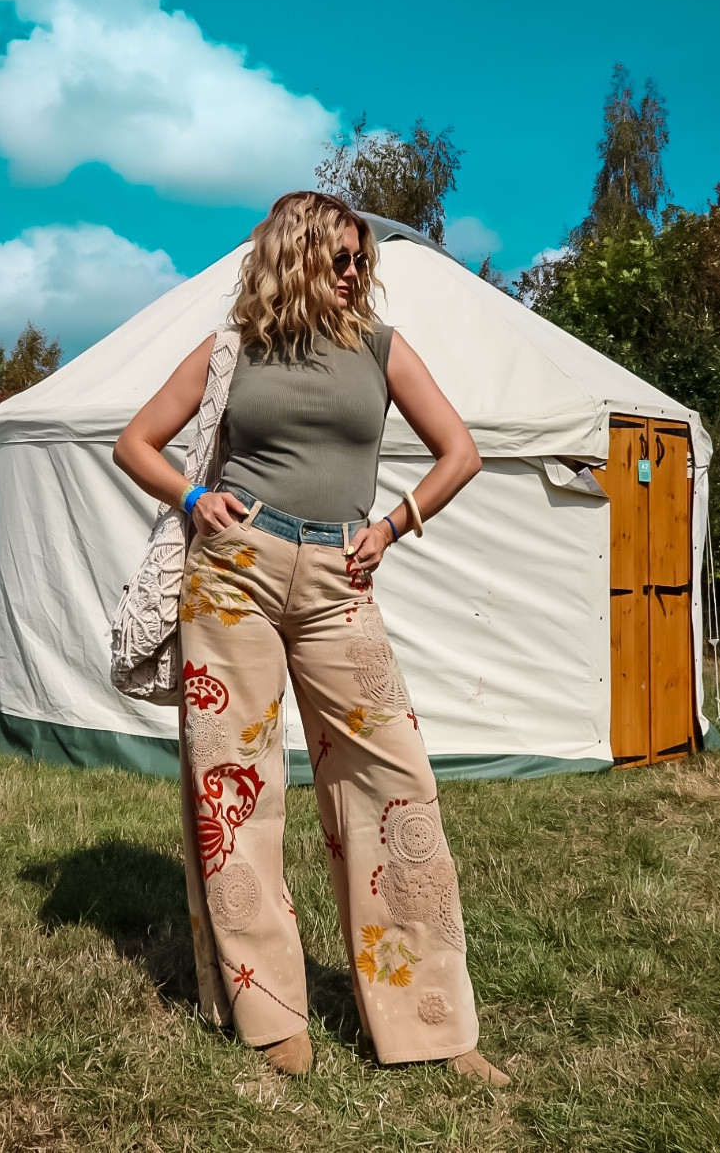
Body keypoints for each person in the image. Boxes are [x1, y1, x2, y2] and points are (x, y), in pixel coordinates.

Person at [114, 191, 508, 1084]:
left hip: (340, 579)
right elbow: (136, 441)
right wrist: (190, 497)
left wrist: (395, 523)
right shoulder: (232, 350)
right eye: (339, 256)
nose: (354, 271)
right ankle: (268, 1009)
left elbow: (462, 452)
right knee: (234, 787)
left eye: (361, 258)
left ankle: (433, 1022)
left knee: (395, 781)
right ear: (293, 254)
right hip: (234, 573)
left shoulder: (381, 348)